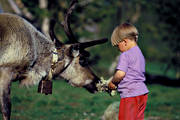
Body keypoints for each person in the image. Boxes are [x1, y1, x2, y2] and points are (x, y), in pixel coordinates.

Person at [108, 22, 149, 120]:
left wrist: (112, 83)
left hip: (130, 95)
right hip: (142, 93)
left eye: (118, 46)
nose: (118, 49)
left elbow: (120, 74)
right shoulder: (140, 53)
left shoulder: (125, 55)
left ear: (125, 42)